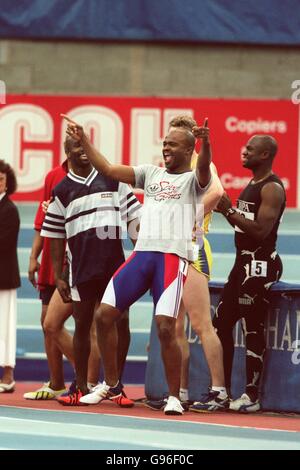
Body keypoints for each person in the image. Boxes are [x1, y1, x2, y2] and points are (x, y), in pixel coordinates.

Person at [62, 114, 212, 416]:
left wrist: (206, 142)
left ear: (188, 150)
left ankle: (173, 397)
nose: (166, 148)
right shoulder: (150, 173)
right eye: (165, 143)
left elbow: (205, 165)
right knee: (104, 315)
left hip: (171, 259)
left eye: (173, 145)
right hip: (142, 255)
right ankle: (112, 384)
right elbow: (106, 168)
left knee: (165, 327)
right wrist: (85, 140)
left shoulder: (194, 180)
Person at [41, 135, 141, 406]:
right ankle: (80, 385)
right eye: (77, 147)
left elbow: (135, 221)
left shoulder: (113, 179)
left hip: (114, 267)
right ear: (67, 153)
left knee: (121, 322)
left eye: (85, 146)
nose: (83, 151)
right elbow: (55, 234)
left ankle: (115, 385)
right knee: (82, 325)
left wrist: (141, 256)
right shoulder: (61, 190)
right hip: (81, 270)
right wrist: (60, 275)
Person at [144, 115, 228, 412]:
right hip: (170, 249)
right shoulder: (171, 169)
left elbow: (217, 192)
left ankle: (219, 391)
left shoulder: (200, 164)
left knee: (202, 324)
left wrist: (186, 215)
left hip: (192, 248)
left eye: (181, 134)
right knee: (176, 326)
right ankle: (177, 392)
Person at [212, 134, 285, 412]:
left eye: (250, 149)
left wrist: (228, 210)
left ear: (265, 155)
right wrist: (230, 212)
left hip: (260, 266)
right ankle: (222, 392)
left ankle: (251, 397)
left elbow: (260, 231)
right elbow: (244, 224)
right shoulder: (252, 185)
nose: (244, 152)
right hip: (241, 264)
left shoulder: (272, 189)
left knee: (252, 327)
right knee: (219, 324)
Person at [0, 160, 20, 393]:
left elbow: (4, 244)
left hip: (3, 279)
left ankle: (8, 374)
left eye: (2, 179)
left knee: (5, 326)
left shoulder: (10, 210)